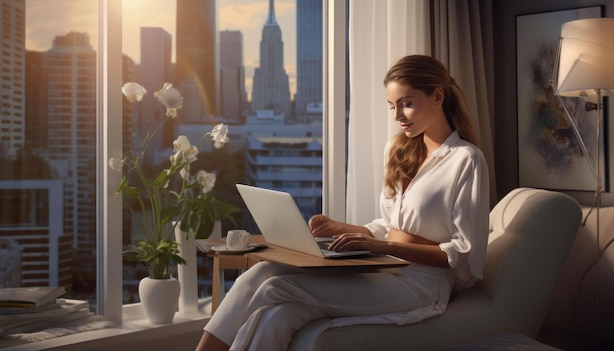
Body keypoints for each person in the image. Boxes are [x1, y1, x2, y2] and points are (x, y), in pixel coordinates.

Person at [195, 54, 490, 351]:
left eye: (407, 103)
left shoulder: (466, 160)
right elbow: (388, 226)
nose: (398, 116)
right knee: (273, 304)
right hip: (380, 269)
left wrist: (385, 247)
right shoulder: (398, 150)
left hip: (421, 284)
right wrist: (340, 228)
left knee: (274, 285)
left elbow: (464, 255)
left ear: (437, 96)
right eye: (392, 106)